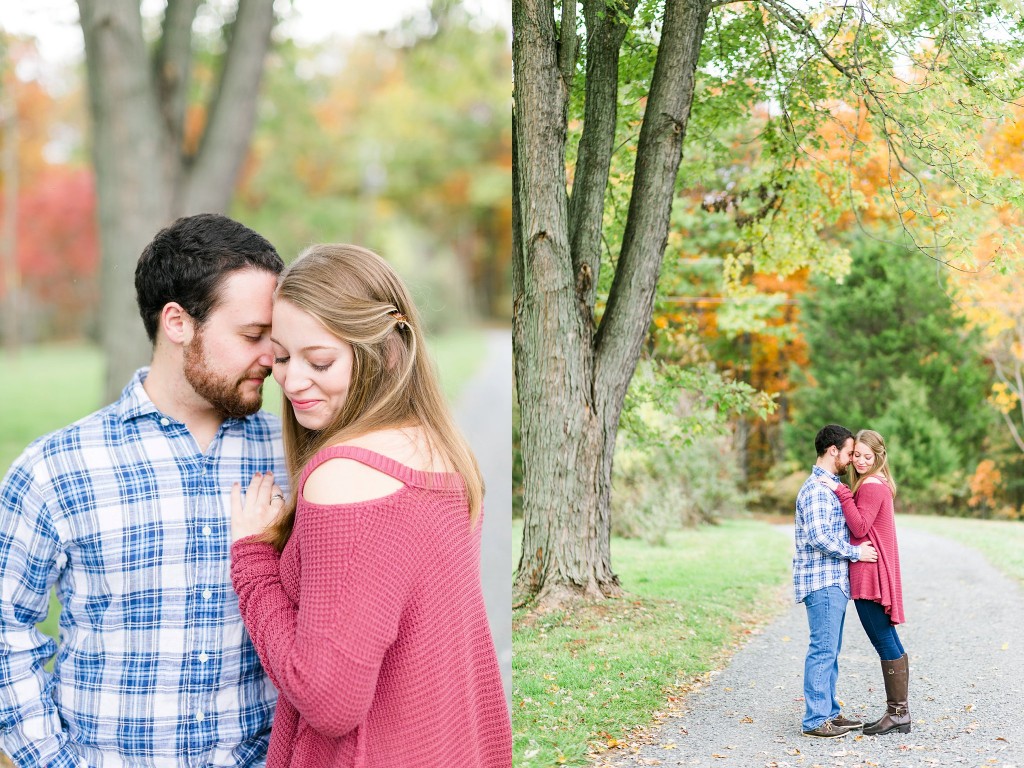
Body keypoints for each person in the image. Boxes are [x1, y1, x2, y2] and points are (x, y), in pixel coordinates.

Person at [0, 214, 287, 766]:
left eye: (274, 338)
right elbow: (6, 624)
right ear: (177, 323)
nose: (271, 357)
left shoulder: (297, 457)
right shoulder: (56, 468)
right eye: (253, 335)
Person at [229, 244, 512, 767]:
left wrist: (252, 563)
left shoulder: (344, 478)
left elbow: (327, 700)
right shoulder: (444, 454)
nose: (292, 381)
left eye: (320, 361)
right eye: (283, 358)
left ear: (385, 351)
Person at [818, 429, 910, 736]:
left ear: (879, 457)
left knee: (883, 641)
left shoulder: (870, 485)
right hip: (872, 572)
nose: (859, 461)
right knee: (888, 639)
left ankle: (898, 713)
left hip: (869, 576)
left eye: (867, 456)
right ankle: (899, 713)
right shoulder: (877, 482)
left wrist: (842, 492)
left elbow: (858, 526)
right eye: (856, 454)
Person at [793, 424, 879, 739]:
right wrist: (855, 552)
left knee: (830, 649)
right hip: (822, 580)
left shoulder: (830, 485)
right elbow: (818, 537)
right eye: (848, 452)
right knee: (823, 649)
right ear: (833, 451)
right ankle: (815, 720)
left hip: (833, 581)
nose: (851, 458)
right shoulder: (817, 488)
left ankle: (829, 712)